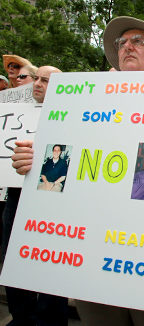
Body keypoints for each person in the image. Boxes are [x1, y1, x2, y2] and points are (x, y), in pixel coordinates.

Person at [12, 16, 144, 326]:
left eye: (137, 41)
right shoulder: (80, 105)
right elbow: (60, 165)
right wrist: (31, 163)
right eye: (121, 43)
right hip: (91, 256)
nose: (127, 47)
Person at [3, 65, 67, 325]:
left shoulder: (72, 118)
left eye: (46, 80)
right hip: (16, 198)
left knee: (52, 265)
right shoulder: (11, 115)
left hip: (53, 200)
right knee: (13, 260)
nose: (38, 84)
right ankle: (21, 318)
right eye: (36, 78)